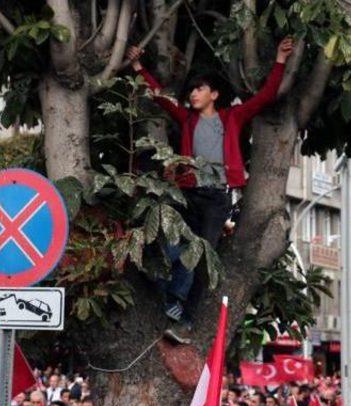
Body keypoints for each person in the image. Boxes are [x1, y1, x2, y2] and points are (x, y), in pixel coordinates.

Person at [126, 37, 294, 324]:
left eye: (199, 89)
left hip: (216, 199)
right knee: (174, 247)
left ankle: (186, 315)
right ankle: (172, 298)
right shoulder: (188, 120)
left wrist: (279, 60)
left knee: (202, 256)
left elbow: (266, 96)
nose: (193, 94)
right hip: (188, 193)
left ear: (214, 95)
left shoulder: (232, 118)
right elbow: (158, 95)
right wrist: (138, 66)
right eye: (191, 89)